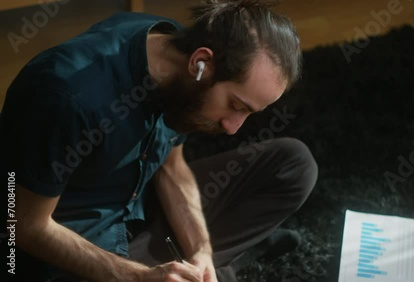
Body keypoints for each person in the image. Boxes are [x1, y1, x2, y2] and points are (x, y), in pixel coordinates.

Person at [1, 0, 318, 281]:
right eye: (236, 105)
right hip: (69, 246)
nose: (234, 127)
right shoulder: (65, 96)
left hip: (137, 202)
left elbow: (171, 164)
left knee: (294, 165)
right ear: (201, 63)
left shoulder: (175, 60)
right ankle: (229, 258)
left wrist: (202, 251)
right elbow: (22, 226)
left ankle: (213, 263)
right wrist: (139, 277)